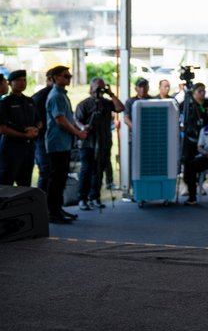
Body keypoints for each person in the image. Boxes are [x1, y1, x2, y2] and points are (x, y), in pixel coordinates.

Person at [74, 77, 125, 210]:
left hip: (104, 142)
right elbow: (77, 120)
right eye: (97, 88)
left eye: (101, 88)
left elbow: (120, 108)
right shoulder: (84, 104)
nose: (99, 91)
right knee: (86, 170)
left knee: (99, 170)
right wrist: (83, 127)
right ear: (91, 88)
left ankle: (95, 196)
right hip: (88, 143)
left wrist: (111, 94)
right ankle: (82, 198)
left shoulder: (107, 103)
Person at [44, 66, 87, 224]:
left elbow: (67, 119)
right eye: (65, 76)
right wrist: (78, 133)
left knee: (61, 177)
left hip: (63, 143)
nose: (69, 78)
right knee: (56, 178)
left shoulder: (62, 95)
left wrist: (78, 130)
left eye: (69, 75)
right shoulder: (56, 96)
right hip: (57, 143)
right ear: (55, 78)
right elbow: (60, 120)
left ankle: (57, 209)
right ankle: (53, 212)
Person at [0, 70, 39, 186]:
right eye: (18, 80)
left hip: (28, 148)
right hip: (11, 150)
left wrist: (35, 129)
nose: (22, 83)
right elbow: (3, 128)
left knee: (25, 185)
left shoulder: (30, 101)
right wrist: (24, 135)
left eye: (24, 80)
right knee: (6, 185)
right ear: (10, 83)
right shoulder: (5, 103)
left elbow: (39, 121)